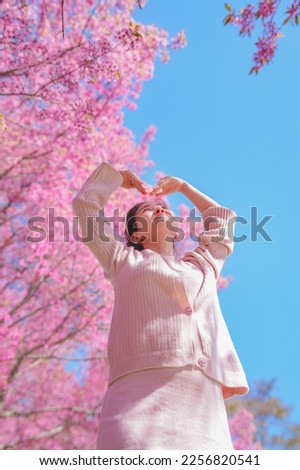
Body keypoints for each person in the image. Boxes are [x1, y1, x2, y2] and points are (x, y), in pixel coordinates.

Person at [72, 161, 249, 450]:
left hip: (202, 402)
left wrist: (184, 187)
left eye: (164, 208)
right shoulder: (122, 259)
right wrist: (117, 179)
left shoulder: (202, 266)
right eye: (148, 210)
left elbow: (224, 221)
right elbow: (85, 204)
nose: (161, 209)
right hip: (135, 397)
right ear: (137, 235)